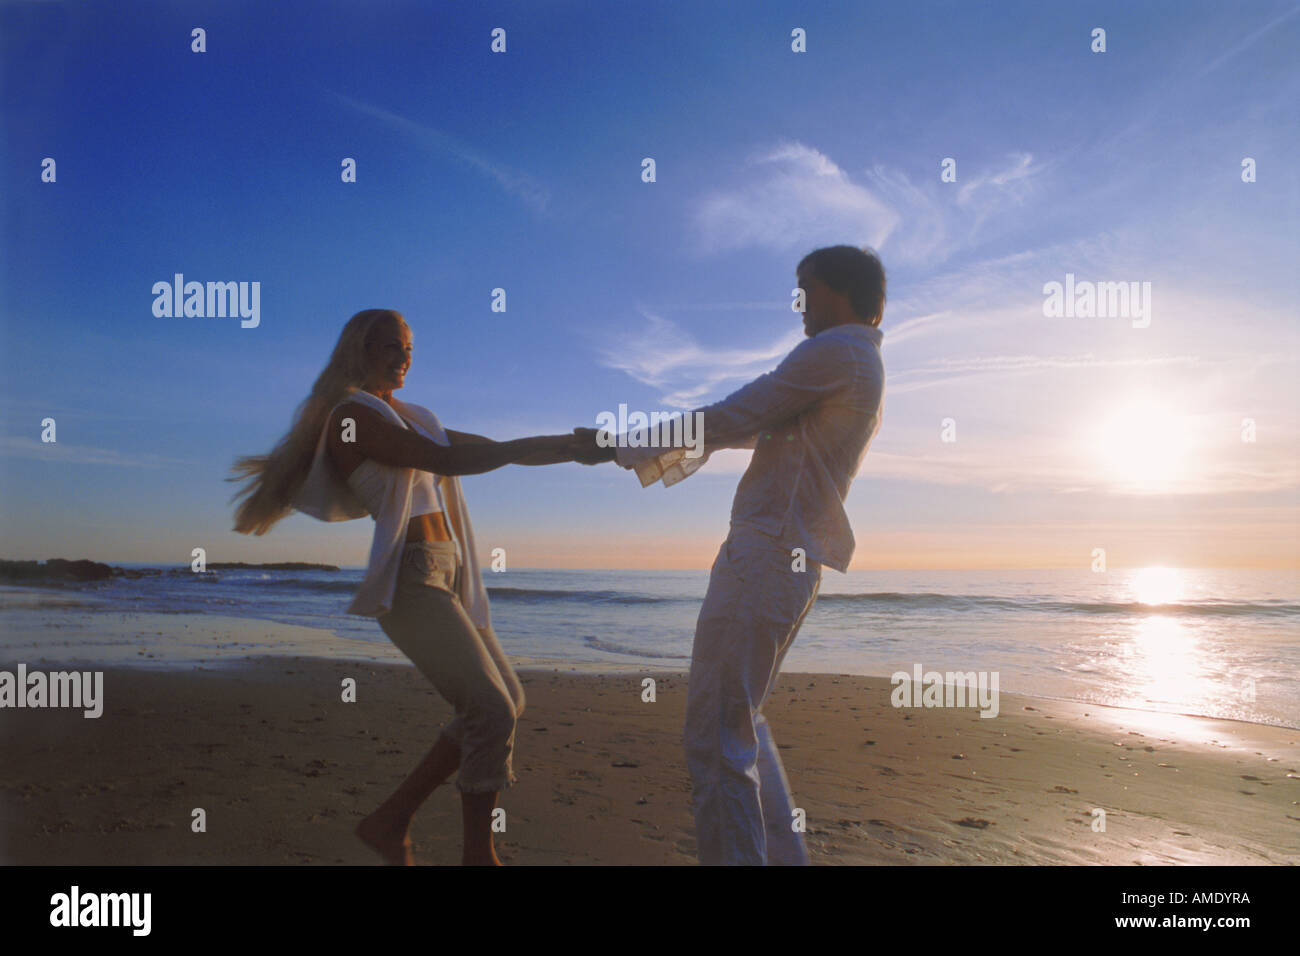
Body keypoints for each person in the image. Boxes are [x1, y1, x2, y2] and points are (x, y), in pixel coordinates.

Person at [228, 308, 580, 866]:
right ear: (358, 352)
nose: (402, 358)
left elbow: (489, 445)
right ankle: (477, 856)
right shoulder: (351, 418)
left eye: (409, 349)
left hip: (448, 569)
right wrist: (526, 447)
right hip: (411, 578)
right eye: (389, 347)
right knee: (490, 709)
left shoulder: (414, 416)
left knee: (505, 700)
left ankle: (391, 820)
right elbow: (446, 460)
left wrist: (573, 446)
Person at [573, 246, 887, 865]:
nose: (798, 304)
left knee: (715, 738)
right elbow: (751, 426)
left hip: (766, 556)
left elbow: (738, 411)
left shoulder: (838, 350)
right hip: (786, 561)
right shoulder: (859, 362)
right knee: (739, 725)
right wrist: (628, 448)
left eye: (806, 289)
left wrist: (620, 446)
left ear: (838, 292)